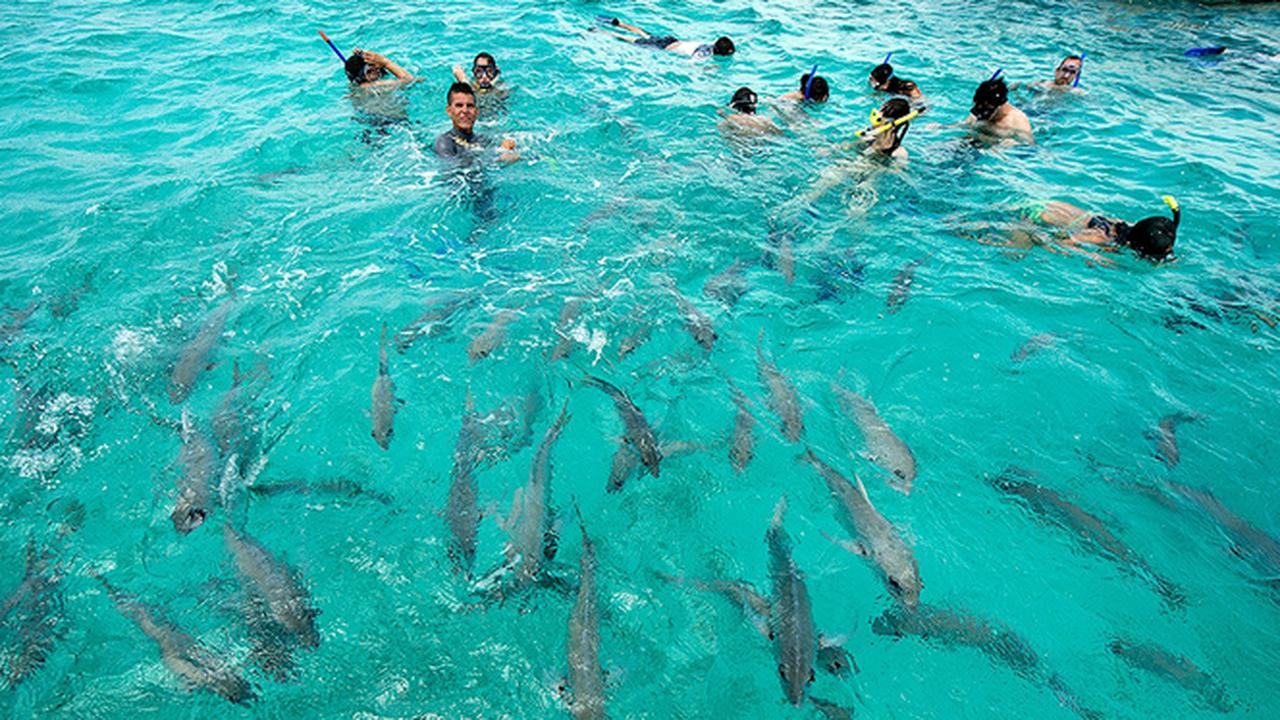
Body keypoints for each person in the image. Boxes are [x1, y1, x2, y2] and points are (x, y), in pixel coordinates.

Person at [1031, 196, 1180, 262]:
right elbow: (1063, 243)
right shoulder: (1101, 236)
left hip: (1048, 205)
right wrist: (1094, 257)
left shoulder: (1128, 228)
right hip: (1033, 215)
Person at [434, 83, 519, 162]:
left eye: (469, 106)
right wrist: (497, 159)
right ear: (449, 111)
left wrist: (506, 148)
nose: (465, 110)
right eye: (459, 105)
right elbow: (452, 169)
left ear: (476, 112)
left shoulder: (483, 140)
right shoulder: (444, 142)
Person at [592, 16, 735, 59]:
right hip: (663, 47)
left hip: (671, 40)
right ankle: (603, 31)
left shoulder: (707, 45)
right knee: (630, 40)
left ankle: (619, 23)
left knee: (643, 33)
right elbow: (692, 64)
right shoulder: (703, 54)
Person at [965, 76, 1033, 144]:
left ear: (1000, 106)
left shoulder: (1018, 122)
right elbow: (963, 126)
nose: (982, 115)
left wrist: (1013, 144)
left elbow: (1029, 147)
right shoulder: (978, 111)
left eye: (987, 110)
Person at [344, 48, 418, 88]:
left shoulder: (356, 86)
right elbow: (411, 80)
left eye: (375, 66)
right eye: (370, 71)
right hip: (386, 117)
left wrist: (362, 56)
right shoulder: (371, 86)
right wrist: (386, 62)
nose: (376, 70)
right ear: (361, 76)